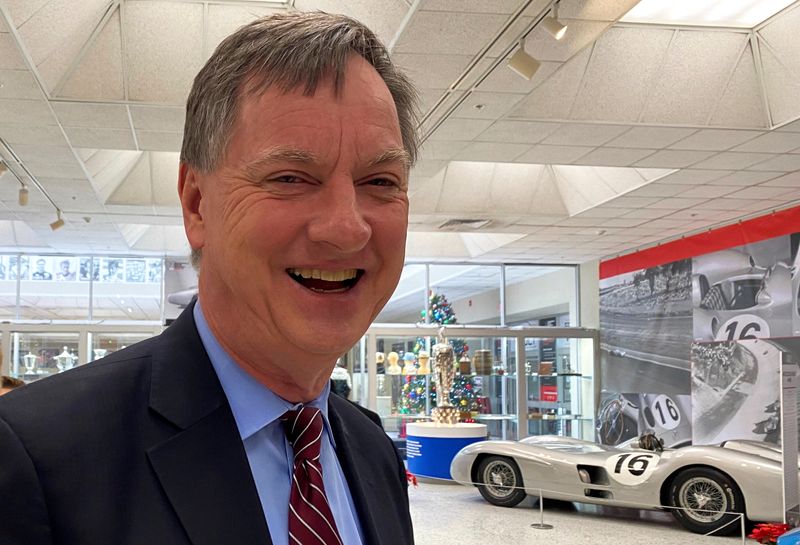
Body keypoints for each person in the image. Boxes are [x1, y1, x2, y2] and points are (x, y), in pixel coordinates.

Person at [0, 11, 418, 545]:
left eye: (380, 181)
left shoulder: (371, 449)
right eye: (290, 177)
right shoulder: (38, 455)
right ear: (197, 206)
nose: (345, 227)